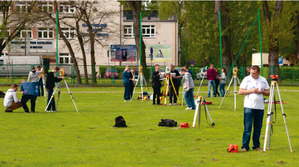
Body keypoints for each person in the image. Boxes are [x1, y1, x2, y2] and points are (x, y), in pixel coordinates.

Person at [239, 65, 270, 152]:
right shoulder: (246, 79)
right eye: (251, 73)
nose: (252, 75)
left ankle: (256, 146)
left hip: (260, 107)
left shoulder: (263, 80)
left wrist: (263, 92)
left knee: (258, 127)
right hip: (249, 106)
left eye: (254, 73)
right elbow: (240, 91)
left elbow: (268, 92)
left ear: (259, 73)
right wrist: (252, 91)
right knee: (247, 127)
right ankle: (245, 146)